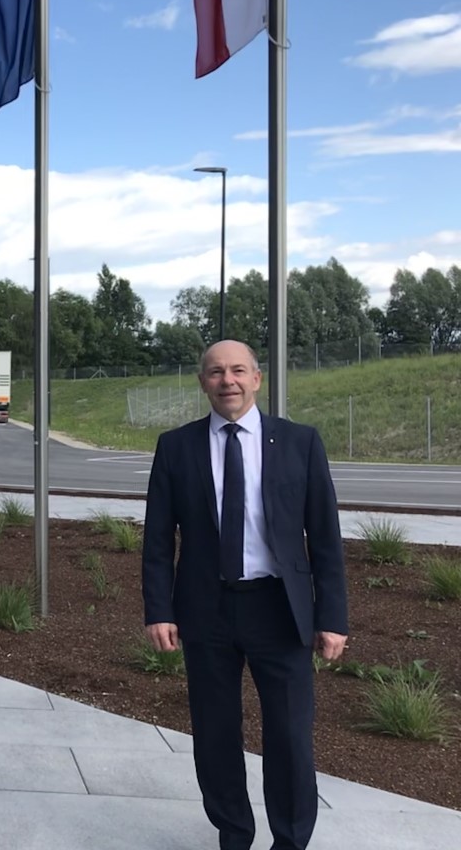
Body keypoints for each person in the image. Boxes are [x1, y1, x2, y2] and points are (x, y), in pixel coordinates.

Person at [142, 339, 349, 850]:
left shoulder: (300, 442)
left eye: (238, 371)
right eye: (215, 372)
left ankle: (291, 840)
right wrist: (159, 609)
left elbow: (324, 535)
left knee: (290, 737)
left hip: (280, 610)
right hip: (205, 609)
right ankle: (234, 834)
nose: (227, 381)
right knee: (215, 735)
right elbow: (156, 538)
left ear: (258, 378)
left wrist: (333, 616)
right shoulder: (177, 445)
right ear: (202, 382)